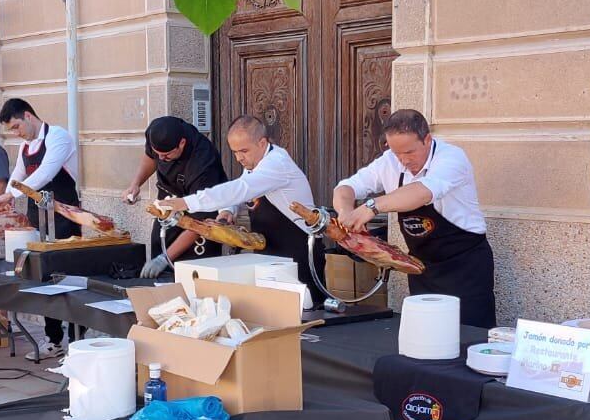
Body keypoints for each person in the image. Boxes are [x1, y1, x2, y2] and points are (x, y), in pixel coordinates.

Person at [333, 109, 495, 327]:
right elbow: (347, 186)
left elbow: (422, 192)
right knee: (427, 338)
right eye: (396, 153)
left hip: (465, 267)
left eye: (409, 152)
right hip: (422, 267)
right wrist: (344, 211)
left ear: (427, 139)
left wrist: (372, 206)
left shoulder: (452, 158)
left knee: (469, 336)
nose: (403, 161)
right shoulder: (389, 161)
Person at [148, 115, 325, 300]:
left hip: (300, 251)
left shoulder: (276, 164)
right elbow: (243, 185)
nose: (239, 158)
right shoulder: (255, 161)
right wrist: (227, 211)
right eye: (234, 152)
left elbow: (240, 189)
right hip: (269, 251)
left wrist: (186, 202)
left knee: (306, 312)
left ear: (262, 143)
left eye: (243, 151)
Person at [0, 98, 81, 359]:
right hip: (37, 216)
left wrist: (11, 194)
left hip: (64, 216)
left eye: (17, 127)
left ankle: (77, 343)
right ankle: (54, 339)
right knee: (44, 278)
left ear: (28, 116)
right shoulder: (26, 146)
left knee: (69, 280)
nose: (17, 133)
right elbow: (18, 174)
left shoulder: (59, 137)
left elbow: (45, 174)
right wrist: (6, 196)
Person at [122, 116, 230, 277]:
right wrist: (136, 183)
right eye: (158, 154)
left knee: (190, 277)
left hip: (198, 223)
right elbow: (151, 156)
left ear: (181, 144)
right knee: (160, 264)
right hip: (168, 207)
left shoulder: (204, 163)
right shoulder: (155, 131)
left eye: (166, 156)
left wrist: (164, 258)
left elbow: (201, 222)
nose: (161, 159)